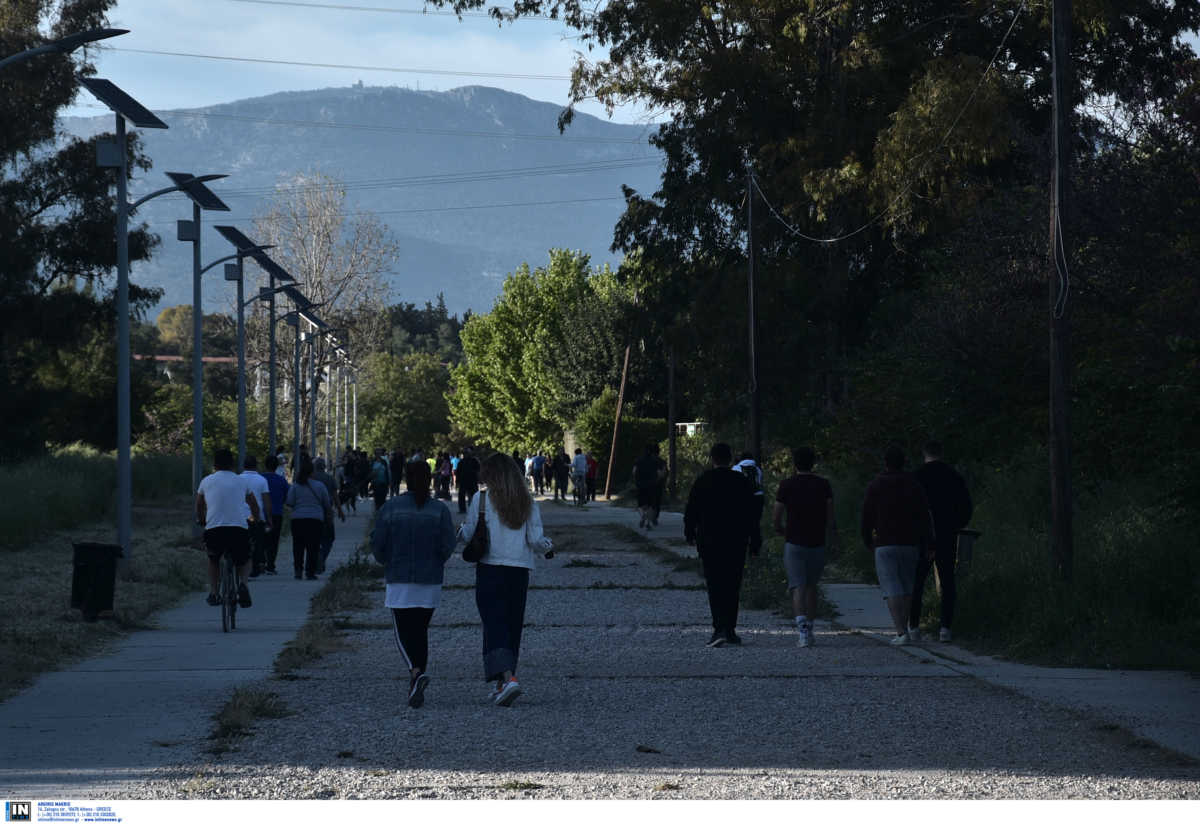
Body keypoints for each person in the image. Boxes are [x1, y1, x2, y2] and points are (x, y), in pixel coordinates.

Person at [459, 453, 553, 706]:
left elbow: (468, 533)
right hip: (519, 570)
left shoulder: (481, 499)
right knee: (512, 624)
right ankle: (504, 682)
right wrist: (548, 547)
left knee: (494, 624)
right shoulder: (527, 502)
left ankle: (509, 678)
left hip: (490, 568)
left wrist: (459, 532)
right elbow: (535, 540)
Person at [371, 459, 456, 708]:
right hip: (429, 579)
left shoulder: (391, 508)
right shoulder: (438, 510)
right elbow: (448, 543)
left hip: (399, 578)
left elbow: (378, 542)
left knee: (402, 633)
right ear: (430, 479)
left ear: (406, 478)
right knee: (420, 631)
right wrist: (437, 560)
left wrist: (385, 560)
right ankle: (416, 680)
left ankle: (416, 672)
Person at [684, 442, 761, 646]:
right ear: (730, 458)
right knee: (733, 585)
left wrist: (689, 532)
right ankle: (730, 629)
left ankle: (718, 628)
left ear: (712, 459)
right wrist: (755, 540)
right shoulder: (742, 481)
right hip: (736, 540)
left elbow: (691, 509)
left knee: (715, 584)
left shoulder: (703, 480)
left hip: (709, 540)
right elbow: (752, 514)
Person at [861, 444, 934, 646]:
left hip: (885, 542)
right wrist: (929, 543)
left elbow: (866, 515)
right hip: (910, 542)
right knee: (908, 586)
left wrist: (868, 539)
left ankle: (901, 631)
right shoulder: (914, 485)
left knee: (891, 586)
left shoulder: (876, 485)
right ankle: (906, 629)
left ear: (885, 463)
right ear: (904, 463)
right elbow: (924, 516)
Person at [910, 440, 973, 642]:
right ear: (942, 452)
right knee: (947, 581)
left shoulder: (916, 477)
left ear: (924, 453)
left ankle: (914, 626)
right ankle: (945, 627)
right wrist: (956, 525)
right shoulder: (954, 476)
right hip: (947, 534)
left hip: (922, 537)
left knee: (917, 582)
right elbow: (966, 507)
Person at [773, 446, 836, 648]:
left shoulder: (787, 485)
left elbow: (777, 513)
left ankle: (802, 631)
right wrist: (831, 534)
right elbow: (830, 514)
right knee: (811, 586)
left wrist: (779, 528)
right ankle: (810, 625)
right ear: (813, 463)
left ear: (795, 464)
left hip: (794, 541)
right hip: (817, 541)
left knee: (797, 585)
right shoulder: (823, 485)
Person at [196, 448, 260, 609]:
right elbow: (253, 503)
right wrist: (255, 518)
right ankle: (244, 584)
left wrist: (202, 520)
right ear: (232, 464)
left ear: (214, 464)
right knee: (245, 558)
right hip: (238, 528)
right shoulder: (241, 481)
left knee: (213, 559)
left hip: (214, 529)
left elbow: (199, 503)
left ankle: (214, 592)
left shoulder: (206, 481)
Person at [285, 455, 334, 580]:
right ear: (312, 472)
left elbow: (289, 502)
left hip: (298, 519)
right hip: (315, 519)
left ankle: (298, 570)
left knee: (298, 546)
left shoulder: (296, 485)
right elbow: (327, 504)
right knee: (313, 546)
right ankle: (310, 572)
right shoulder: (320, 486)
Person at [241, 455, 273, 579]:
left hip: (241, 516)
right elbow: (266, 501)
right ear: (256, 465)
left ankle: (242, 566)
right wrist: (269, 519)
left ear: (243, 466)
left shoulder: (238, 479)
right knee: (257, 542)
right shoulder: (262, 480)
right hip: (256, 517)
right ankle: (254, 568)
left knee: (243, 542)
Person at [312, 457, 345, 574]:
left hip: (312, 512)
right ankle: (322, 555)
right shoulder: (329, 478)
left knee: (314, 538)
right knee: (329, 538)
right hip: (327, 513)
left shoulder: (310, 478)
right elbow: (335, 496)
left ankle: (316, 558)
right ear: (324, 466)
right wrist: (340, 511)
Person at [260, 455, 289, 575]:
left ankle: (261, 562)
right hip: (276, 513)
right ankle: (270, 565)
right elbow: (288, 496)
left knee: (261, 539)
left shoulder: (260, 479)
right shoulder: (281, 480)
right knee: (274, 540)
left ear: (265, 465)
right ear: (276, 466)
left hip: (261, 514)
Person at [733, 452, 765, 551]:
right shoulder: (758, 469)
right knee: (755, 524)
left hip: (743, 499)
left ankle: (741, 548)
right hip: (758, 498)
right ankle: (755, 550)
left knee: (741, 524)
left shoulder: (736, 468)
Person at [634, 443, 666, 529]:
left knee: (641, 505)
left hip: (640, 485)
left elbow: (634, 471)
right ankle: (649, 521)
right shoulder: (656, 461)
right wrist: (657, 480)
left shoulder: (638, 460)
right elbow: (661, 474)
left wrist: (637, 480)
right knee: (651, 505)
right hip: (653, 485)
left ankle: (643, 516)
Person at [457, 448, 481, 514]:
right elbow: (458, 472)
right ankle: (462, 509)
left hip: (472, 481)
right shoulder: (461, 462)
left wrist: (479, 479)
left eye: (467, 453)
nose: (466, 455)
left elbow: (478, 470)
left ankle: (474, 508)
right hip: (464, 481)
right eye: (465, 453)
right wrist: (457, 482)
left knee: (474, 496)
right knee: (462, 495)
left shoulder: (474, 461)